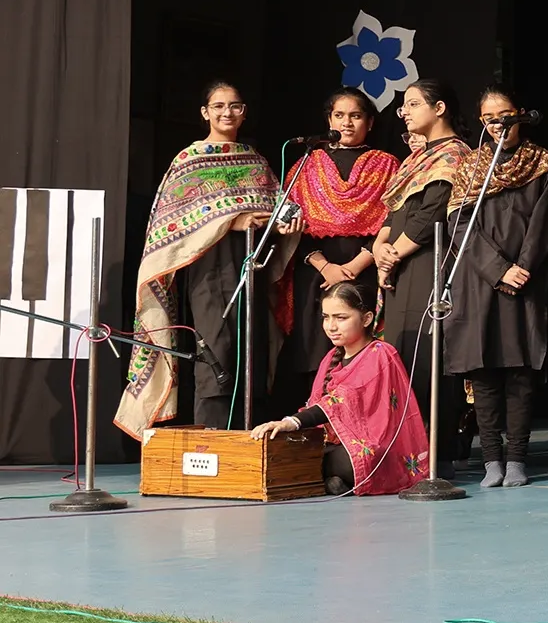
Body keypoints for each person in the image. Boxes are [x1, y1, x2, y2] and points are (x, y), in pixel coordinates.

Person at [116, 81, 289, 438]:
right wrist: (232, 221)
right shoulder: (190, 161)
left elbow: (276, 206)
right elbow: (174, 221)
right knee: (216, 348)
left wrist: (284, 221)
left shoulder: (255, 160)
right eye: (219, 106)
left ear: (244, 112)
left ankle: (252, 437)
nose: (227, 112)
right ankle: (214, 439)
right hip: (211, 269)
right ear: (205, 112)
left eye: (235, 105)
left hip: (254, 265)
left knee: (254, 348)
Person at [443, 85, 548, 489]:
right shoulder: (470, 167)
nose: (498, 125)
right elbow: (460, 224)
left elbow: (544, 224)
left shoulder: (543, 164)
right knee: (484, 372)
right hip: (479, 281)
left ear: (520, 114)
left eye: (505, 116)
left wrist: (520, 268)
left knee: (520, 373)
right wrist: (497, 269)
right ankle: (491, 459)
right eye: (490, 119)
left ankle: (517, 460)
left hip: (525, 281)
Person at [248, 282, 427, 496]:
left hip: (373, 448)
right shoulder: (331, 357)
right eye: (326, 317)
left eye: (341, 318)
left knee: (353, 461)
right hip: (332, 444)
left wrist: (293, 421)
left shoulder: (381, 353)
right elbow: (318, 405)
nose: (331, 326)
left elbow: (344, 399)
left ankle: (330, 478)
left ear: (367, 319)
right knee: (289, 451)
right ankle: (331, 480)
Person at [373, 79, 470, 470]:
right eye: (404, 106)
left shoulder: (454, 155)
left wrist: (393, 253)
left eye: (413, 104)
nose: (405, 113)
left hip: (429, 264)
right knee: (400, 354)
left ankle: (434, 454)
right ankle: (405, 450)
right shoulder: (416, 158)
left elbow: (432, 214)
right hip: (401, 265)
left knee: (426, 359)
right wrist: (380, 247)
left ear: (439, 108)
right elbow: (394, 211)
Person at [277, 88, 398, 401]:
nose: (347, 123)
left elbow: (394, 220)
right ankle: (314, 420)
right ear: (329, 120)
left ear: (370, 122)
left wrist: (356, 266)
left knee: (362, 354)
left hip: (366, 271)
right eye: (339, 115)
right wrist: (325, 267)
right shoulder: (307, 165)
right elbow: (290, 226)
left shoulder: (387, 166)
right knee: (314, 351)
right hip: (316, 274)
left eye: (355, 116)